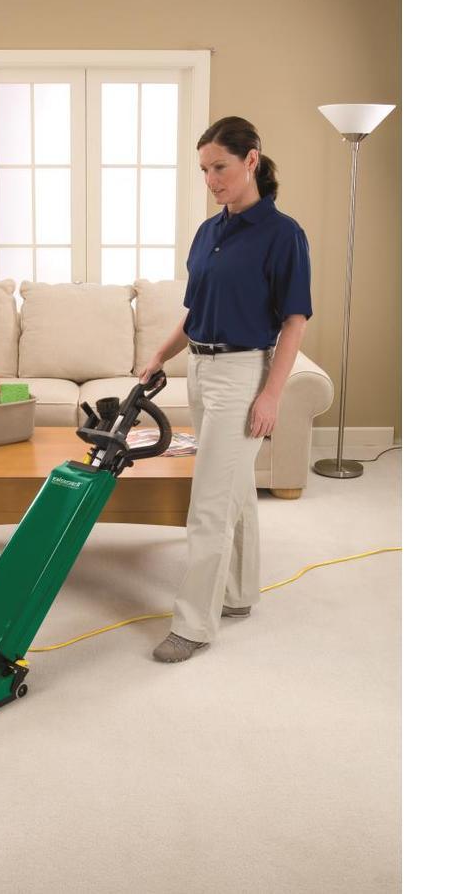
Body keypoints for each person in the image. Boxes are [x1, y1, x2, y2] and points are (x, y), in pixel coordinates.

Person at [139, 116, 313, 663]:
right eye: (204, 170)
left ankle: (193, 625)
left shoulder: (283, 234)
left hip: (243, 375)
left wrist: (271, 394)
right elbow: (196, 312)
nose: (211, 180)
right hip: (200, 370)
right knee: (233, 489)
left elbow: (295, 322)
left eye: (220, 167)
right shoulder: (208, 232)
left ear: (251, 160)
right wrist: (160, 355)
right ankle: (238, 593)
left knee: (210, 504)